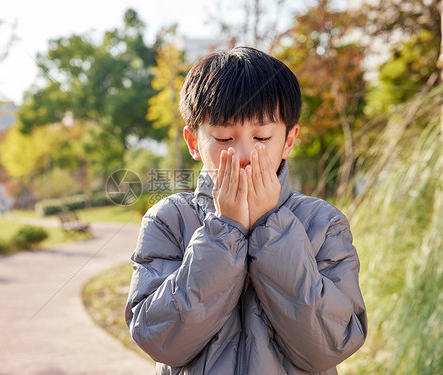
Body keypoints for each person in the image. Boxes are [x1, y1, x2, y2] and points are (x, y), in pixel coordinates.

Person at [125, 46, 367, 374]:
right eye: (224, 138)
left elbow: (330, 345)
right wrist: (225, 229)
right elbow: (160, 339)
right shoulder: (170, 220)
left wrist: (273, 227)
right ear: (193, 142)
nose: (244, 154)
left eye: (262, 136)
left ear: (289, 140)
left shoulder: (323, 223)